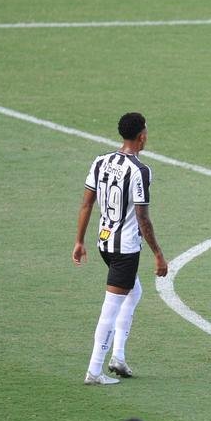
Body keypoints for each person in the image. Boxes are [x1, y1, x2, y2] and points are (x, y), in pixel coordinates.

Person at [73, 112, 167, 385]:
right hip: (125, 249)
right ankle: (94, 370)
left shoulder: (101, 161)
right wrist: (158, 254)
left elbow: (86, 204)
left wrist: (79, 241)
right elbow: (142, 218)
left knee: (133, 292)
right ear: (141, 136)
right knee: (110, 308)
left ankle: (119, 357)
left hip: (104, 243)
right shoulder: (140, 171)